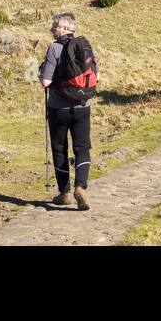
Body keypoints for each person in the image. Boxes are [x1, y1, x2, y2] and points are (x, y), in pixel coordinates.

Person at [40, 12, 99, 210]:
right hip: (83, 106)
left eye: (55, 25)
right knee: (82, 148)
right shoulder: (86, 46)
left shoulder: (54, 48)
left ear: (65, 28)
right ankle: (81, 187)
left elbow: (46, 82)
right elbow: (96, 76)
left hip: (58, 108)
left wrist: (44, 74)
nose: (52, 28)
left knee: (59, 150)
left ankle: (65, 193)